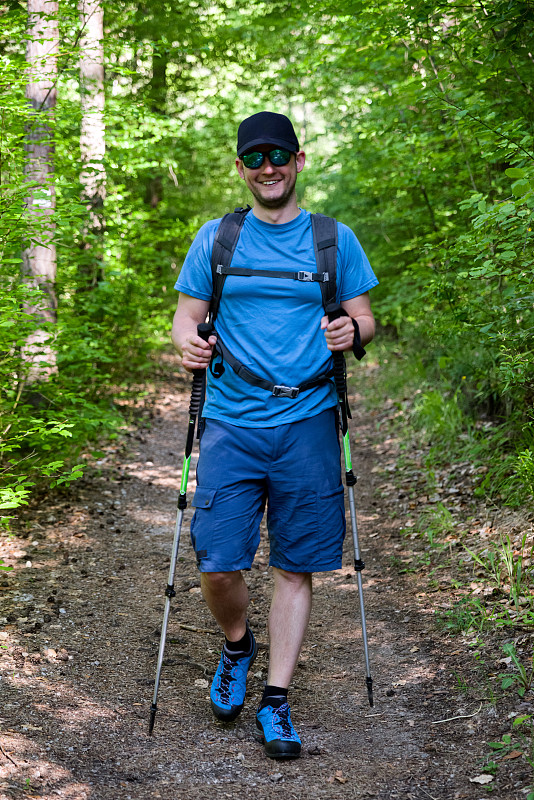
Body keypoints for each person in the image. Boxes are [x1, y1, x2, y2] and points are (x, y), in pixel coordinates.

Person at [171, 111, 378, 759]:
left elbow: (366, 318)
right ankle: (238, 643)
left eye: (278, 155)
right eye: (255, 157)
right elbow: (185, 321)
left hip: (310, 423)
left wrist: (353, 331)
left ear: (299, 159)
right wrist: (189, 347)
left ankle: (277, 700)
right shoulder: (217, 239)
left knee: (295, 563)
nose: (268, 167)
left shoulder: (333, 240)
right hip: (232, 422)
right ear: (241, 167)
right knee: (218, 558)